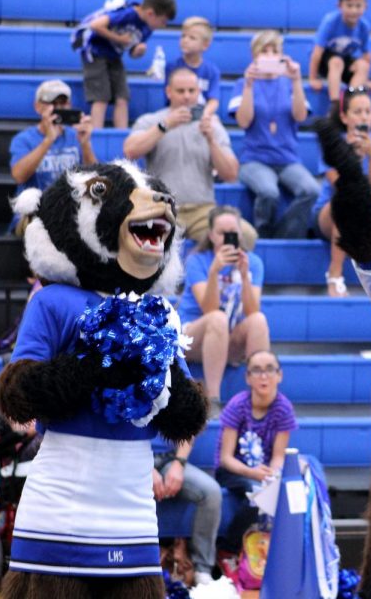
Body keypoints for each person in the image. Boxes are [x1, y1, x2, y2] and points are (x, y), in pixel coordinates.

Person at [124, 68, 256, 249]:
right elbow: (130, 151)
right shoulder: (151, 120)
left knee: (246, 236)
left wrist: (211, 140)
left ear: (198, 92)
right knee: (130, 238)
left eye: (191, 91)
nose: (186, 96)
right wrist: (165, 126)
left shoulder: (212, 125)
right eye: (180, 91)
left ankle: (214, 275)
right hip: (161, 208)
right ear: (168, 92)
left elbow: (231, 174)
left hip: (202, 210)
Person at [177, 206, 270, 416]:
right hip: (192, 337)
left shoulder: (253, 262)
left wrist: (245, 277)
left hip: (225, 340)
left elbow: (252, 311)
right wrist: (214, 272)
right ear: (211, 235)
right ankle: (212, 398)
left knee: (259, 321)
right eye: (222, 233)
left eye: (233, 233)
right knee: (217, 318)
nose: (228, 238)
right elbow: (209, 309)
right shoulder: (197, 260)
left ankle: (260, 398)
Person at [230, 31, 321, 238]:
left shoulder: (289, 83)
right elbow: (243, 121)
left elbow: (300, 116)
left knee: (311, 190)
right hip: (254, 159)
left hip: (287, 159)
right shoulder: (242, 84)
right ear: (255, 55)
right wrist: (249, 85)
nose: (270, 55)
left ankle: (283, 237)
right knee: (269, 192)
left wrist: (297, 80)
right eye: (264, 50)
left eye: (275, 51)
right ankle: (262, 235)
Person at [314, 89, 371, 297]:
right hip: (329, 212)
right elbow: (340, 185)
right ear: (344, 116)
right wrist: (350, 157)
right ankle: (334, 274)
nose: (364, 117)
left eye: (368, 111)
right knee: (347, 203)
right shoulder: (334, 143)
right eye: (358, 111)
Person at [214, 350, 297, 550]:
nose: (264, 376)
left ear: (280, 375)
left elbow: (278, 457)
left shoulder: (284, 409)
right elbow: (226, 458)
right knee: (256, 494)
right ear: (248, 378)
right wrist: (253, 474)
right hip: (232, 471)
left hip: (263, 473)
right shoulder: (237, 406)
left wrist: (273, 475)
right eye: (256, 370)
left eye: (270, 369)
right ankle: (228, 548)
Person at [73, 0, 176, 128]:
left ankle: (121, 134)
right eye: (163, 21)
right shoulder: (128, 14)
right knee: (101, 98)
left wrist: (138, 51)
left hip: (113, 53)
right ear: (150, 13)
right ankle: (96, 133)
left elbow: (132, 51)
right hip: (94, 49)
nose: (164, 25)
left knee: (122, 97)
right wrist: (119, 39)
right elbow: (96, 25)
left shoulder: (147, 27)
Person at [9, 80, 96, 232]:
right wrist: (48, 140)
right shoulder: (24, 139)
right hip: (34, 212)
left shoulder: (76, 136)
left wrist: (85, 144)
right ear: (38, 107)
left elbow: (94, 178)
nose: (58, 108)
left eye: (63, 103)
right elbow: (19, 176)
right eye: (52, 103)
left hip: (68, 211)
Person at [152, 437, 222, 587]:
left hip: (169, 459)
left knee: (211, 492)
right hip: (130, 460)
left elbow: (189, 429)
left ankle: (202, 570)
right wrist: (144, 468)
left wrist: (179, 463)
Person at [308, 0, 371, 110]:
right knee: (336, 62)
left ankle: (351, 102)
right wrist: (313, 78)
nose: (353, 10)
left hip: (344, 59)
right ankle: (335, 104)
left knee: (363, 65)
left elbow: (367, 54)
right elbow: (317, 51)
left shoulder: (364, 27)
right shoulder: (330, 22)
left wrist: (365, 79)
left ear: (365, 7)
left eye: (358, 6)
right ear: (339, 6)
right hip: (325, 62)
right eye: (349, 6)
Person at [164, 16, 221, 120]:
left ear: (205, 45)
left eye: (192, 38)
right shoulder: (172, 66)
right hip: (176, 116)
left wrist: (205, 115)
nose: (185, 40)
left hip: (201, 117)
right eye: (183, 36)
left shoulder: (212, 70)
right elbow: (169, 96)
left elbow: (213, 100)